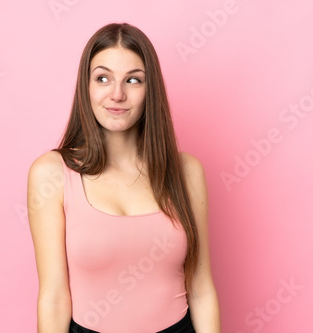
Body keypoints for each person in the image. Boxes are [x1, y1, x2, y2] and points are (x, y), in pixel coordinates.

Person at [27, 22, 221, 333]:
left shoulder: (187, 173)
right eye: (103, 78)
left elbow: (201, 289)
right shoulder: (52, 174)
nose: (117, 94)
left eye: (133, 80)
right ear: (86, 86)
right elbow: (53, 297)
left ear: (150, 89)